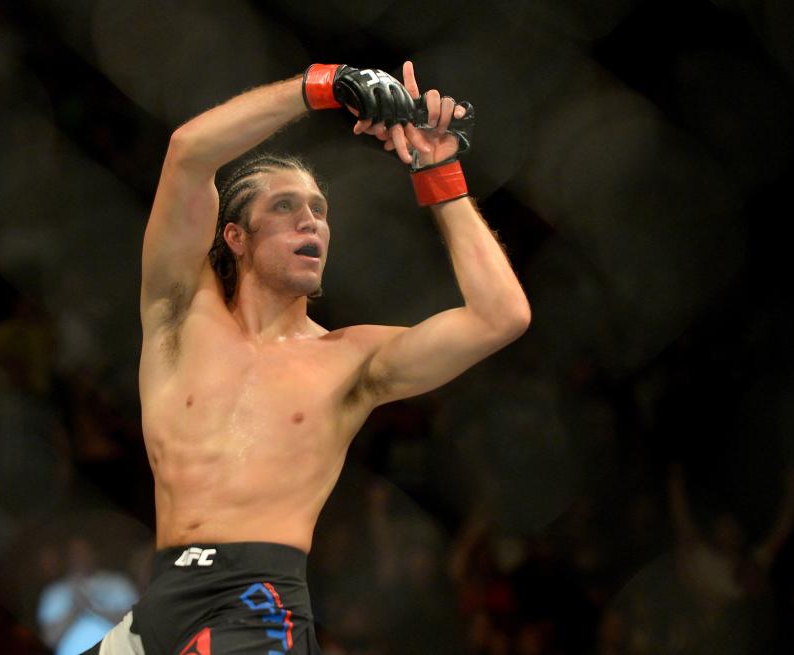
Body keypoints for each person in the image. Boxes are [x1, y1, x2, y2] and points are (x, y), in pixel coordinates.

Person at [87, 61, 531, 654]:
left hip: (256, 600)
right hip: (157, 607)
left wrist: (439, 170)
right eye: (286, 207)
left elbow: (501, 316)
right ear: (235, 236)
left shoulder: (349, 361)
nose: (311, 221)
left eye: (320, 210)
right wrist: (321, 85)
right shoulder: (177, 315)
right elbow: (188, 150)